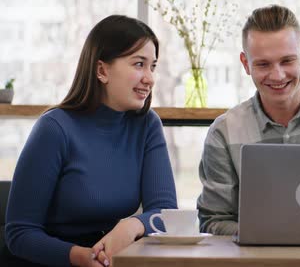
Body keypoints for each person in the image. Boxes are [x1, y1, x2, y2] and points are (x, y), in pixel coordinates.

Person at [3, 15, 177, 267]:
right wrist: (81, 257)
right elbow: (19, 234)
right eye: (139, 64)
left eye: (153, 66)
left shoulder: (147, 125)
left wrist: (132, 225)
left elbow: (166, 212)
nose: (149, 78)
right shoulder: (54, 129)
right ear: (102, 71)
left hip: (110, 260)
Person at [197, 4, 300, 235]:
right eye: (263, 64)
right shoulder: (224, 132)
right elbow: (213, 221)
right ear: (246, 64)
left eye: (287, 61)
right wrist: (275, 237)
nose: (277, 75)